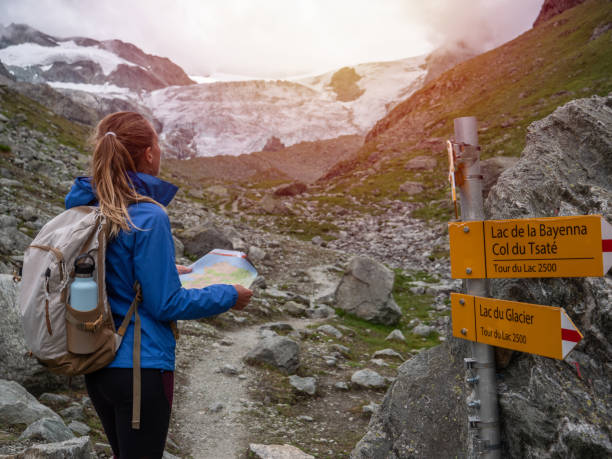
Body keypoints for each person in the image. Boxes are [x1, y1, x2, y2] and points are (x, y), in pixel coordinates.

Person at [64, 111, 252, 458]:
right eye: (158, 144)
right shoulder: (149, 215)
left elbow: (111, 271)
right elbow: (166, 304)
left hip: (96, 362)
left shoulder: (89, 206)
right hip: (140, 366)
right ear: (149, 154)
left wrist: (169, 268)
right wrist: (229, 294)